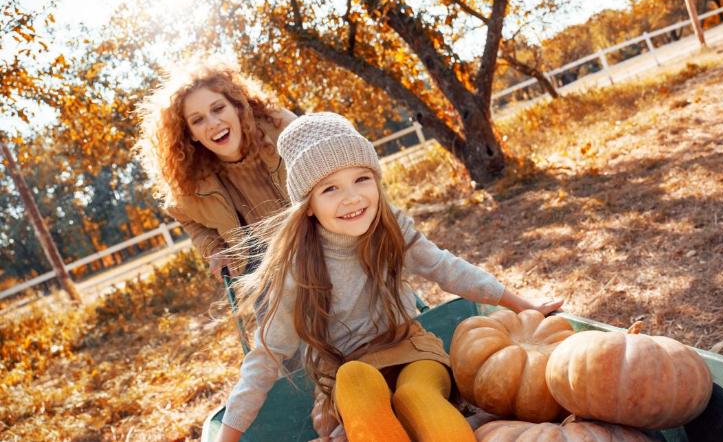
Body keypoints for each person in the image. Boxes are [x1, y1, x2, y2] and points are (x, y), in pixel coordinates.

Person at [215, 112, 564, 442]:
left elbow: (446, 268)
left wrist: (523, 306)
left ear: (377, 179)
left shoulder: (390, 225)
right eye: (330, 189)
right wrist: (227, 437)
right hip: (347, 366)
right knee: (354, 380)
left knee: (416, 394)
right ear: (308, 204)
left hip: (410, 348)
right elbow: (267, 355)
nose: (352, 198)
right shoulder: (297, 266)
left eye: (361, 178)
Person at [135, 60, 297, 277]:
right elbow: (190, 221)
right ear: (191, 133)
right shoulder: (191, 180)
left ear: (237, 107)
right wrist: (214, 249)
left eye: (218, 108)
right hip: (261, 264)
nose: (213, 123)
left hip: (317, 233)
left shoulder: (283, 129)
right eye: (198, 120)